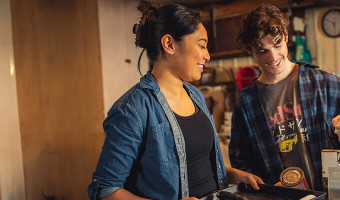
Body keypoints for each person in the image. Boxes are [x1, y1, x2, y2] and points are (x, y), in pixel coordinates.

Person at [88, 1, 263, 200]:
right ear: (169, 44)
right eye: (202, 46)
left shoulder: (195, 95)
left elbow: (196, 167)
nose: (207, 55)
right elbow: (106, 190)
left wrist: (233, 175)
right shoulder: (133, 109)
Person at [229, 3, 340, 192]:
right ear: (250, 50)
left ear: (286, 36)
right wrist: (266, 188)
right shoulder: (245, 107)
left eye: (277, 44)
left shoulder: (326, 84)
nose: (272, 57)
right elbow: (242, 165)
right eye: (262, 50)